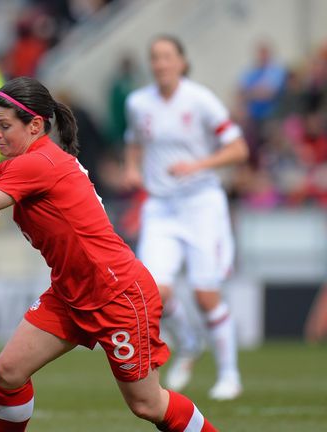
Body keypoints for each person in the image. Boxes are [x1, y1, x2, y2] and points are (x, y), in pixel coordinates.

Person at [0, 76, 219, 432]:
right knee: (9, 371)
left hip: (116, 294)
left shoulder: (37, 165)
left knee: (147, 404)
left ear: (35, 125)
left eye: (4, 126)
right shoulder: (23, 161)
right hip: (70, 292)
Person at [123, 35, 249, 400]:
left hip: (201, 204)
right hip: (160, 207)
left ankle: (229, 374)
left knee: (205, 294)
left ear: (181, 61)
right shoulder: (138, 102)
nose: (160, 63)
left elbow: (238, 149)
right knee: (154, 293)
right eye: (155, 57)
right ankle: (189, 342)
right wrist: (132, 167)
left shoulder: (201, 100)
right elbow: (134, 140)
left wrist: (198, 164)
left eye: (166, 56)